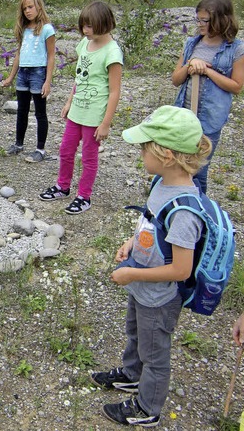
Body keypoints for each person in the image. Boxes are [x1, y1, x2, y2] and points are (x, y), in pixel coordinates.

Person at [91, 105, 212, 427]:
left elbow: (181, 271)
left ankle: (147, 407)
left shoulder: (185, 212)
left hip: (161, 296)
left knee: (155, 352)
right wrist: (131, 244)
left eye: (145, 148)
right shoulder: (161, 184)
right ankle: (131, 374)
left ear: (167, 155)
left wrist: (132, 272)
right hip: (143, 285)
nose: (140, 154)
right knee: (136, 334)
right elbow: (151, 222)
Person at [39, 1, 122, 214]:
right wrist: (69, 101)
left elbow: (114, 91)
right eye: (83, 26)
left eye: (90, 26)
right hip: (77, 109)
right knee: (66, 149)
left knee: (88, 156)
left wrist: (105, 124)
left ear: (104, 24)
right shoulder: (84, 44)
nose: (85, 30)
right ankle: (63, 186)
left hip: (95, 114)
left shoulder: (112, 53)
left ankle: (84, 196)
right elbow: (80, 78)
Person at [171, 0, 244, 194]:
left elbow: (237, 86)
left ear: (221, 20)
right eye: (198, 19)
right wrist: (190, 66)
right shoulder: (191, 44)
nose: (200, 24)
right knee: (175, 165)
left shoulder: (236, 49)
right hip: (184, 115)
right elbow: (176, 79)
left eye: (205, 20)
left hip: (210, 120)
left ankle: (199, 215)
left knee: (198, 171)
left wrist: (208, 71)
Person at [1, 0, 56, 162]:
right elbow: (19, 54)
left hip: (38, 72)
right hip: (23, 73)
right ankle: (19, 144)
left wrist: (48, 81)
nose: (28, 11)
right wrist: (11, 77)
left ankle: (40, 149)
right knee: (22, 110)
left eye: (31, 7)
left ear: (39, 6)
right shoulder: (24, 29)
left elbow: (51, 56)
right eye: (25, 8)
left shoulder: (47, 29)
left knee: (40, 112)